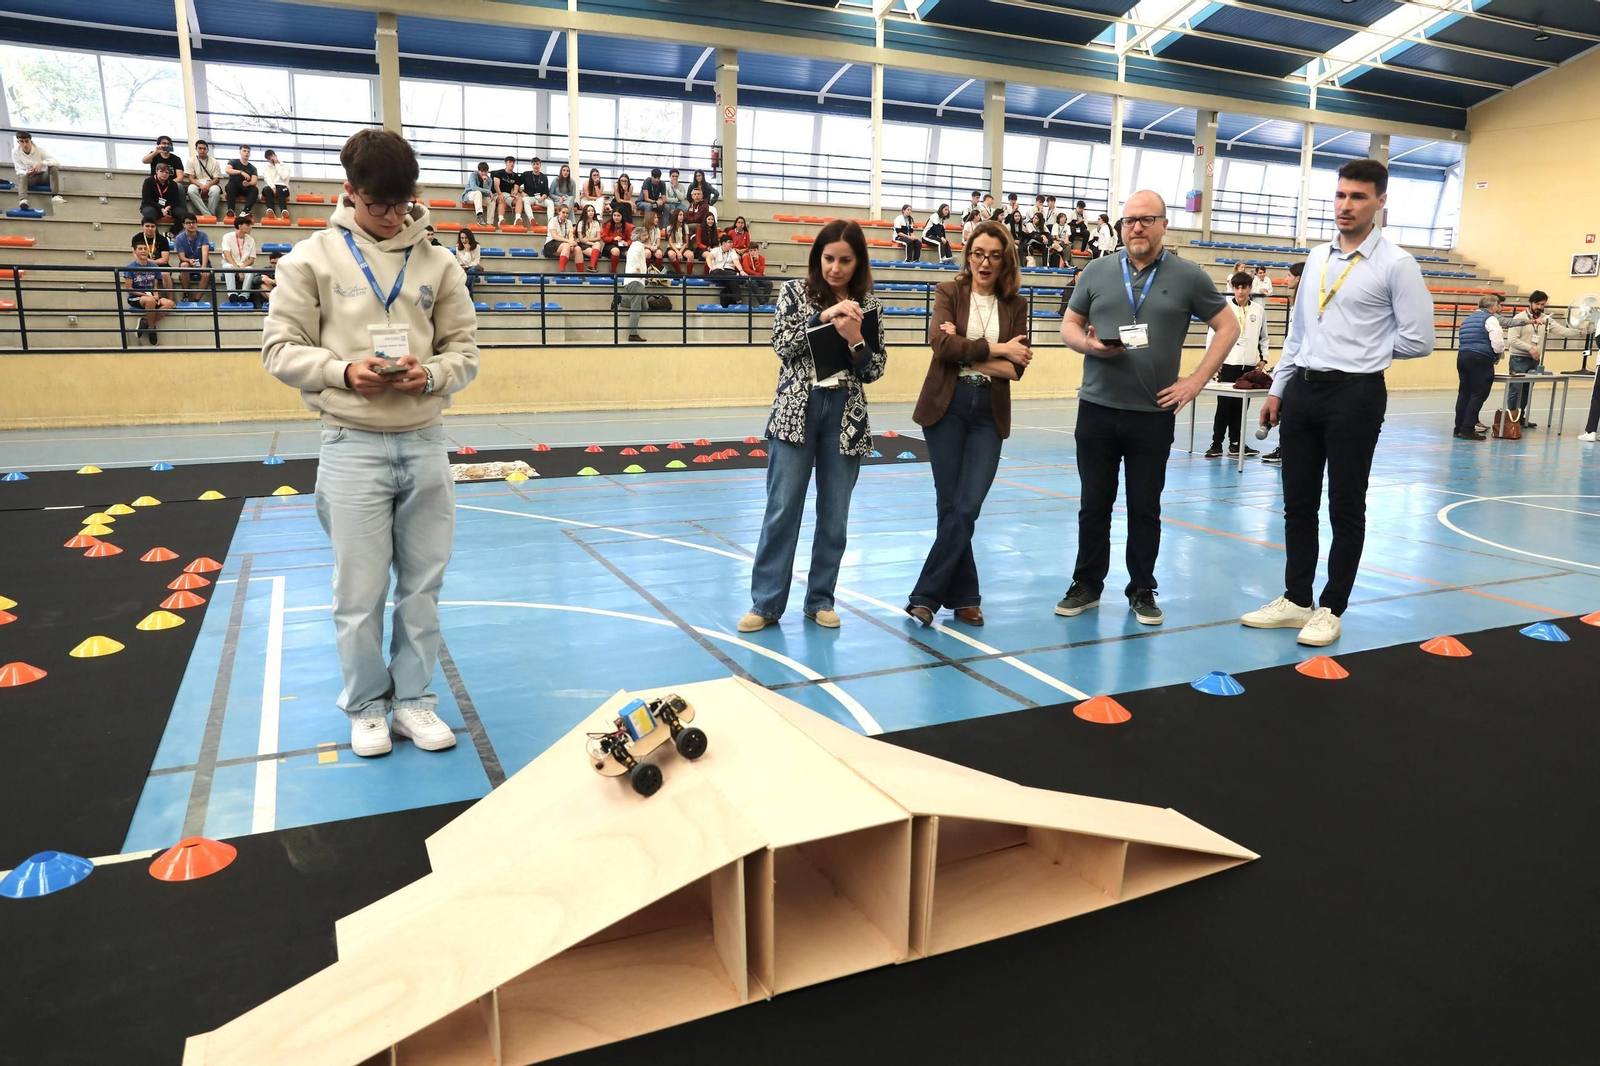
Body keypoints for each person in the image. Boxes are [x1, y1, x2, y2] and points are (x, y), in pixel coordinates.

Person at [261, 127, 479, 759]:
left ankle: (413, 700)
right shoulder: (310, 260)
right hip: (350, 442)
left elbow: (464, 352)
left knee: (422, 584)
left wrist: (431, 374)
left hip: (424, 441)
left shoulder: (441, 263)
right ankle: (365, 705)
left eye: (402, 204)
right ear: (349, 192)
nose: (390, 217)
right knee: (358, 592)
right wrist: (342, 371)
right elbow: (279, 348)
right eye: (377, 204)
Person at [1242, 159, 1433, 647]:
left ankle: (1332, 607)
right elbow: (1298, 334)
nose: (1346, 206)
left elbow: (1420, 339)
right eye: (1341, 195)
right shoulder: (1318, 258)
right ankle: (1296, 597)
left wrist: (1361, 350)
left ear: (1380, 202)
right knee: (1297, 504)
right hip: (1303, 391)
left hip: (1356, 393)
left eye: (1359, 197)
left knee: (1345, 504)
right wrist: (1279, 389)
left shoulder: (1396, 264)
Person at [1057, 190, 1238, 626]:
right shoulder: (1097, 271)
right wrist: (1090, 347)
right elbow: (1069, 323)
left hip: (1153, 414)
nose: (1136, 227)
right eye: (1129, 220)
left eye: (1146, 219)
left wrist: (1195, 382)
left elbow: (1227, 325)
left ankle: (1142, 588)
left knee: (1144, 506)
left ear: (1163, 224)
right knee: (1093, 504)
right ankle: (1087, 583)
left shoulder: (1189, 276)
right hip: (1097, 409)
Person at [739, 220, 887, 633]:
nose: (835, 268)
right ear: (816, 257)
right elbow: (782, 345)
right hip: (795, 412)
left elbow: (875, 368)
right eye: (828, 259)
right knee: (782, 510)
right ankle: (766, 603)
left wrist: (856, 338)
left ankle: (820, 599)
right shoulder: (793, 293)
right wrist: (825, 316)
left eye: (844, 260)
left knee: (834, 516)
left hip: (845, 415)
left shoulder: (870, 305)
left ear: (858, 263)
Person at [906, 220, 1031, 627]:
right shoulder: (949, 291)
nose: (985, 262)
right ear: (968, 254)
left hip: (987, 414)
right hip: (947, 406)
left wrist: (965, 350)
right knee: (951, 505)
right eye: (979, 253)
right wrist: (998, 348)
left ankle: (927, 594)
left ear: (1005, 260)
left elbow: (1017, 370)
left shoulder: (1015, 305)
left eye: (995, 255)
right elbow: (940, 344)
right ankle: (964, 598)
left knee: (967, 505)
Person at [1205, 272, 1270, 459]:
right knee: (1223, 407)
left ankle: (1236, 444)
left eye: (1244, 287)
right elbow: (1212, 336)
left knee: (1241, 409)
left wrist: (1264, 358)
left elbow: (1263, 337)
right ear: (1232, 288)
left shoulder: (1258, 310)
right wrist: (1213, 360)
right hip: (1227, 364)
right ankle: (1216, 444)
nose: (1240, 291)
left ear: (1250, 288)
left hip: (1248, 368)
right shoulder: (1223, 309)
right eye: (1237, 287)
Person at [1503, 290, 1584, 429]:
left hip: (1534, 360)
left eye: (1543, 304)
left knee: (1527, 390)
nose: (1540, 307)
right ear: (1530, 303)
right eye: (1537, 304)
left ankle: (1520, 417)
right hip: (1519, 359)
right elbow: (1512, 340)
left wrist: (1582, 331)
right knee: (1515, 389)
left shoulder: (1546, 319)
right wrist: (1530, 348)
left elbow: (1562, 331)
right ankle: (1511, 418)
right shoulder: (1519, 318)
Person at [1261, 261, 1304, 465]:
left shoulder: (1308, 306)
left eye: (1289, 275)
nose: (1286, 279)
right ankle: (1284, 447)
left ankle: (1286, 448)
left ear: (1299, 278)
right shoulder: (1295, 304)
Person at [1453, 294, 1503, 442]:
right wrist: (1497, 356)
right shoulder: (1491, 319)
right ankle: (1468, 428)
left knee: (1464, 393)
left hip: (1462, 357)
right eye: (1499, 306)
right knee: (1479, 393)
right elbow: (1498, 342)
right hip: (1480, 358)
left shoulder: (1467, 319)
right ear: (1493, 307)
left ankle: (1458, 427)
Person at [120, 240, 173, 345]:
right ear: (135, 252)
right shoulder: (130, 267)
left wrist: (156, 296)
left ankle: (145, 322)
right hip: (136, 297)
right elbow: (129, 288)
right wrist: (146, 295)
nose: (143, 251)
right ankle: (152, 329)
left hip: (150, 296)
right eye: (140, 249)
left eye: (145, 249)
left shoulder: (154, 267)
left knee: (169, 304)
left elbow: (155, 286)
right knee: (149, 301)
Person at [615, 230, 652, 343]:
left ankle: (620, 300)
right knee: (636, 307)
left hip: (636, 280)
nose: (646, 236)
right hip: (635, 280)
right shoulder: (639, 246)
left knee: (644, 306)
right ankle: (632, 334)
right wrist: (638, 269)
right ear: (640, 237)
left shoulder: (634, 245)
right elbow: (635, 257)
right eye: (644, 235)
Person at [12, 131, 64, 209]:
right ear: (18, 142)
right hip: (29, 178)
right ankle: (23, 200)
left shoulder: (39, 150)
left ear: (31, 141)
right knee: (22, 175)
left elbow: (57, 163)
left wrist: (43, 163)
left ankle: (55, 196)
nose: (25, 144)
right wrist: (27, 172)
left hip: (42, 177)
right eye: (21, 142)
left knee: (53, 168)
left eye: (26, 141)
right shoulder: (15, 152)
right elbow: (18, 170)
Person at [172, 214, 213, 302]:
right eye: (188, 223)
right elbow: (181, 257)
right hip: (188, 262)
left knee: (206, 273)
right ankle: (186, 294)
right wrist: (189, 260)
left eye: (193, 222)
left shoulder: (203, 235)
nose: (191, 225)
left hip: (201, 262)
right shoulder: (179, 238)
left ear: (196, 224)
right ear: (184, 225)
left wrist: (204, 267)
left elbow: (205, 252)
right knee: (184, 265)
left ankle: (196, 300)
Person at [221, 215, 258, 303]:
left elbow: (251, 259)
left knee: (250, 270)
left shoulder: (251, 240)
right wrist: (238, 270)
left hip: (243, 264)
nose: (250, 227)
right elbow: (227, 255)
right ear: (240, 226)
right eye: (248, 225)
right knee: (229, 268)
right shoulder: (227, 237)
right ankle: (232, 294)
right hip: (229, 262)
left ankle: (244, 295)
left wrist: (241, 268)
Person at [187, 139, 224, 219]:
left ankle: (211, 214)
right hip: (196, 182)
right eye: (200, 148)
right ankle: (207, 214)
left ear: (208, 149)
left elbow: (217, 179)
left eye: (204, 148)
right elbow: (191, 178)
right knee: (191, 190)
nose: (202, 150)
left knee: (215, 190)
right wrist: (201, 185)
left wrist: (208, 185)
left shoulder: (214, 162)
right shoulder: (191, 160)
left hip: (210, 183)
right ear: (196, 149)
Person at [706, 232, 745, 307]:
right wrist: (711, 267)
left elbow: (736, 261)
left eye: (732, 242)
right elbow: (708, 258)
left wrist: (741, 270)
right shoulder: (715, 250)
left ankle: (738, 301)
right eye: (729, 242)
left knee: (732, 277)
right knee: (730, 275)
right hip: (718, 271)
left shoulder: (732, 251)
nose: (732, 244)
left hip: (729, 272)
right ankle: (738, 299)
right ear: (723, 243)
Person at [256, 149, 292, 221]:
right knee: (266, 190)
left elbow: (284, 176)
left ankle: (284, 211)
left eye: (272, 156)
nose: (271, 159)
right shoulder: (266, 168)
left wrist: (277, 164)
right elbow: (267, 178)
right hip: (271, 186)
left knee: (280, 190)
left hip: (283, 186)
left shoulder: (285, 166)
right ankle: (271, 211)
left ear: (275, 155)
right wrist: (272, 187)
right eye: (269, 158)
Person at [225, 146, 259, 220]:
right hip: (234, 186)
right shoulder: (233, 161)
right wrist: (241, 172)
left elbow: (254, 181)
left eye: (248, 151)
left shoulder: (252, 168)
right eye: (244, 151)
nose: (246, 153)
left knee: (254, 189)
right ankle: (231, 210)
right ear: (240, 152)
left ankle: (246, 210)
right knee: (230, 186)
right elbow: (228, 170)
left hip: (245, 187)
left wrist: (248, 184)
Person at [490, 156, 522, 227]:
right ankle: (501, 219)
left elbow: (516, 188)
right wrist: (500, 194)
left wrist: (515, 192)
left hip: (508, 195)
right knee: (502, 199)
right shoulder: (499, 173)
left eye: (513, 162)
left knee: (519, 200)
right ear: (506, 163)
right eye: (510, 162)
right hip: (497, 193)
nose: (512, 164)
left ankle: (517, 218)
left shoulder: (515, 176)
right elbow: (496, 185)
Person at [545, 202, 577, 270]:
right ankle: (561, 270)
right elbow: (554, 236)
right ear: (558, 212)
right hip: (551, 243)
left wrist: (571, 242)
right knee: (566, 245)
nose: (565, 215)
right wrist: (568, 241)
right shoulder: (552, 221)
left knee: (578, 249)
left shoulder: (569, 222)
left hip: (564, 243)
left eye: (567, 213)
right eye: (563, 212)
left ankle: (580, 274)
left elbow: (571, 235)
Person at [600, 207, 633, 272]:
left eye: (618, 215)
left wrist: (627, 243)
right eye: (614, 215)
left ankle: (630, 272)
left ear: (622, 216)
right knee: (616, 251)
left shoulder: (628, 226)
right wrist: (613, 238)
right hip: (610, 245)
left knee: (630, 253)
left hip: (623, 246)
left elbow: (631, 239)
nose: (616, 217)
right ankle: (613, 272)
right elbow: (604, 238)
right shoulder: (608, 225)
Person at [461, 162, 494, 226]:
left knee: (491, 201)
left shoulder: (489, 180)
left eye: (486, 171)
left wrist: (485, 183)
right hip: (469, 196)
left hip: (480, 198)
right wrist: (488, 191)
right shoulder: (473, 175)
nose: (484, 173)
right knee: (478, 193)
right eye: (482, 171)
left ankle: (490, 222)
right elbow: (474, 187)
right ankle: (479, 217)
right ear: (478, 171)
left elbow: (487, 194)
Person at [520, 157, 550, 223]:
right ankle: (531, 219)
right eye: (534, 164)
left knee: (550, 203)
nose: (535, 166)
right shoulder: (526, 174)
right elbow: (516, 184)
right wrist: (521, 192)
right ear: (531, 165)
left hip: (539, 199)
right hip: (529, 197)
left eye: (537, 164)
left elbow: (546, 191)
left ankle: (550, 221)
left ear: (540, 165)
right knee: (525, 200)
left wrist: (543, 197)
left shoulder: (544, 177)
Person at [575, 204, 604, 272]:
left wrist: (589, 241)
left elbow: (598, 237)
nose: (591, 212)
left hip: (591, 242)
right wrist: (591, 243)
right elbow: (581, 239)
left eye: (592, 211)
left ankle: (591, 266)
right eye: (589, 211)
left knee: (597, 244)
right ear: (585, 212)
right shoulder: (580, 223)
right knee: (593, 252)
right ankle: (593, 266)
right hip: (583, 244)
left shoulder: (596, 223)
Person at [663, 209, 692, 274]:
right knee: (671, 255)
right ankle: (679, 272)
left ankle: (689, 275)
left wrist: (680, 252)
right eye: (680, 215)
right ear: (675, 216)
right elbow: (670, 242)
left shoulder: (685, 226)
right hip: (673, 247)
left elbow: (686, 242)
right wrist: (677, 251)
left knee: (691, 255)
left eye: (683, 215)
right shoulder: (669, 227)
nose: (682, 217)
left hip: (682, 246)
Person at [455, 228, 482, 296]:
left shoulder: (477, 246)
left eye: (466, 238)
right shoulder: (458, 247)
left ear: (470, 237)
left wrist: (467, 250)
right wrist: (467, 250)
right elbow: (464, 261)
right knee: (470, 276)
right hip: (463, 270)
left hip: (475, 269)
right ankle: (469, 298)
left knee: (472, 270)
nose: (464, 240)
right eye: (462, 238)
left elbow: (476, 262)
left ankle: (464, 295)